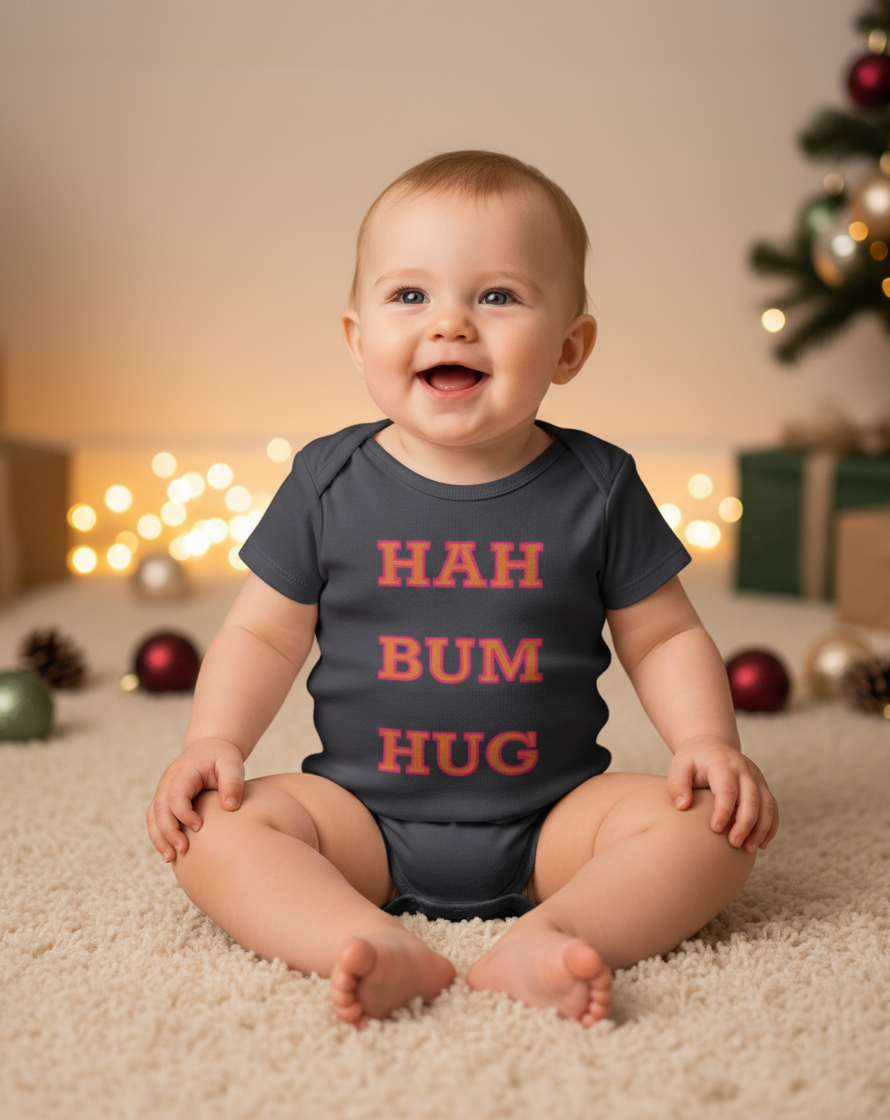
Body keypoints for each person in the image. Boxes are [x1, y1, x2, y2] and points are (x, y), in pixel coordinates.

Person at [147, 150, 778, 1029]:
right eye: (410, 296)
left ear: (569, 347)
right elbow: (262, 636)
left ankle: (558, 935)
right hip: (360, 817)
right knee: (211, 827)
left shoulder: (597, 485)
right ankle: (356, 940)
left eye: (497, 296)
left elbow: (664, 636)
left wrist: (708, 739)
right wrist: (212, 740)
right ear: (357, 338)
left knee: (718, 825)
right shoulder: (327, 482)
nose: (450, 325)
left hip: (557, 822)